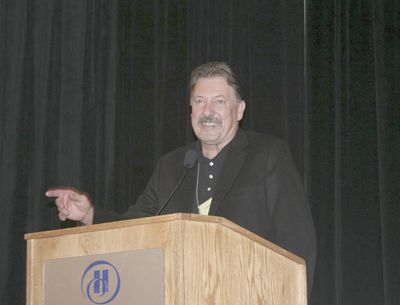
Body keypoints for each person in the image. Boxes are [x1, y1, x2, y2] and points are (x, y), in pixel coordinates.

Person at [46, 61, 316, 294]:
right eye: (199, 101)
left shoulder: (267, 154)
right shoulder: (173, 165)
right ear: (191, 110)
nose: (207, 111)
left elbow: (296, 240)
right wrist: (90, 214)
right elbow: (137, 224)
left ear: (240, 110)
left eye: (219, 101)